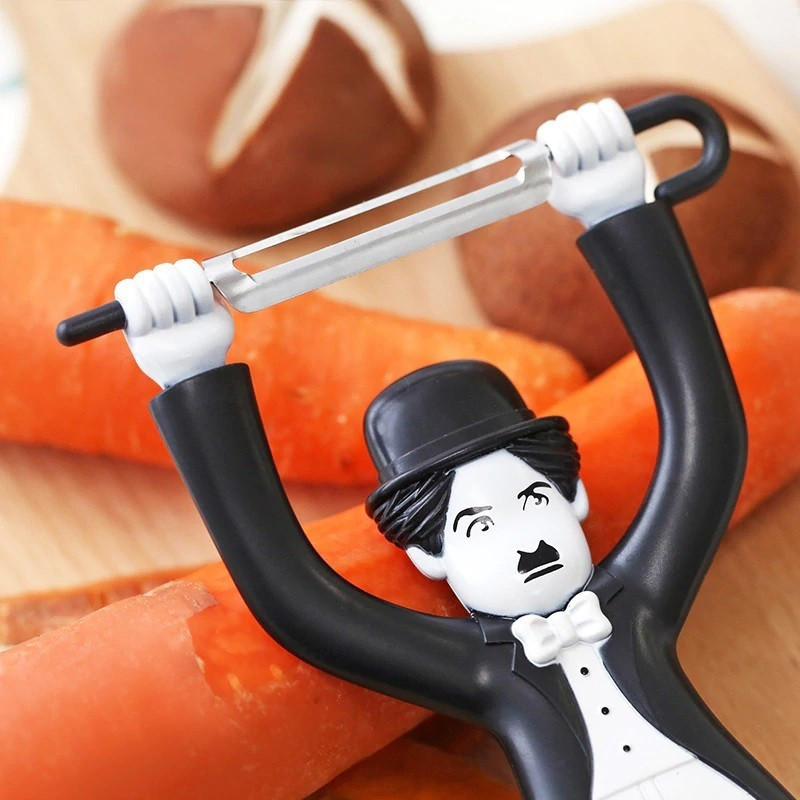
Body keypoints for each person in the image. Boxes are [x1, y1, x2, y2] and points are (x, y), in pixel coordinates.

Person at [115, 99, 789, 799]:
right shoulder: (478, 671)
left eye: (533, 500)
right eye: (478, 526)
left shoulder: (641, 600)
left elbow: (706, 437)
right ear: (428, 557)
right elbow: (297, 600)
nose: (525, 542)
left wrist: (619, 204)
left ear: (575, 496)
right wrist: (191, 372)